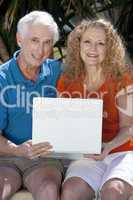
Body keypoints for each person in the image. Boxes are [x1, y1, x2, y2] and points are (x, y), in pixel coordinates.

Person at [57, 19, 133, 200]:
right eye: (87, 42)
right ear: (78, 45)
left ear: (110, 48)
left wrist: (108, 147)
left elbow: (128, 128)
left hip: (121, 151)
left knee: (113, 192)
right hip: (86, 154)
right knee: (71, 192)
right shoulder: (66, 81)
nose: (93, 49)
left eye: (101, 43)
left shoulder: (123, 79)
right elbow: (63, 126)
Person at [0, 11, 63, 200]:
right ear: (20, 40)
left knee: (49, 191)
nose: (41, 49)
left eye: (47, 42)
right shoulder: (2, 78)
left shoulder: (57, 72)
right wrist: (17, 149)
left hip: (45, 159)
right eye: (34, 40)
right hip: (5, 158)